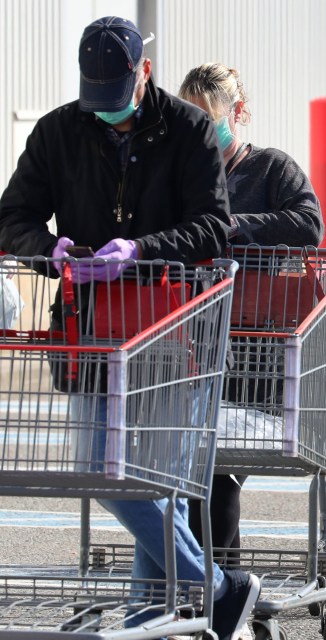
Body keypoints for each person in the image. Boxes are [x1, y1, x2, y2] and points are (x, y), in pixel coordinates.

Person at [0, 17, 259, 639]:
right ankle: (217, 587)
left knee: (157, 484)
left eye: (117, 101)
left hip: (174, 328)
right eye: (97, 102)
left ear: (143, 72)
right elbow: (13, 218)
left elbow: (212, 227)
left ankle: (151, 620)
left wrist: (139, 250)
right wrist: (49, 249)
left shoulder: (191, 128)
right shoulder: (59, 131)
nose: (107, 115)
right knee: (101, 469)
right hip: (91, 333)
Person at [178, 62, 323, 562]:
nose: (194, 130)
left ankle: (221, 579)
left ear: (237, 113)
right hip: (193, 338)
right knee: (188, 461)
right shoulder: (182, 176)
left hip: (257, 343)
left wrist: (238, 225)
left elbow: (309, 224)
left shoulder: (271, 169)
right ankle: (203, 578)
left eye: (205, 117)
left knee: (219, 462)